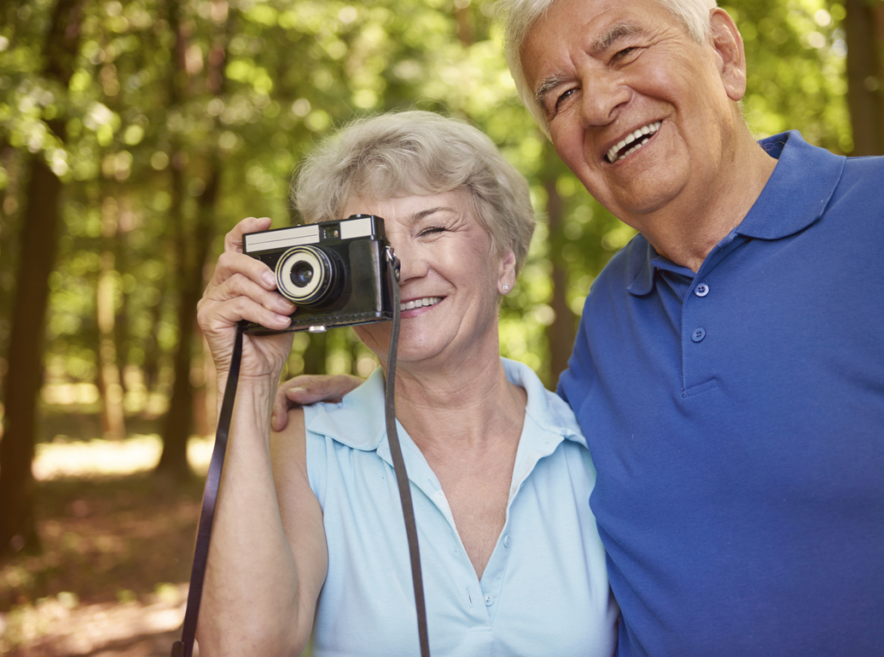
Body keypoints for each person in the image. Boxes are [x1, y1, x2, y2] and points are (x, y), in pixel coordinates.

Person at [277, 0, 884, 655]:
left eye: (623, 51)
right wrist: (389, 399)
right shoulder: (611, 315)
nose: (596, 104)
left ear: (724, 54)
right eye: (559, 96)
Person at [194, 110, 618, 657]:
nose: (403, 267)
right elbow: (242, 649)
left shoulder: (591, 444)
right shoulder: (307, 446)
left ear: (504, 263)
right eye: (371, 246)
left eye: (433, 228)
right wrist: (248, 385)